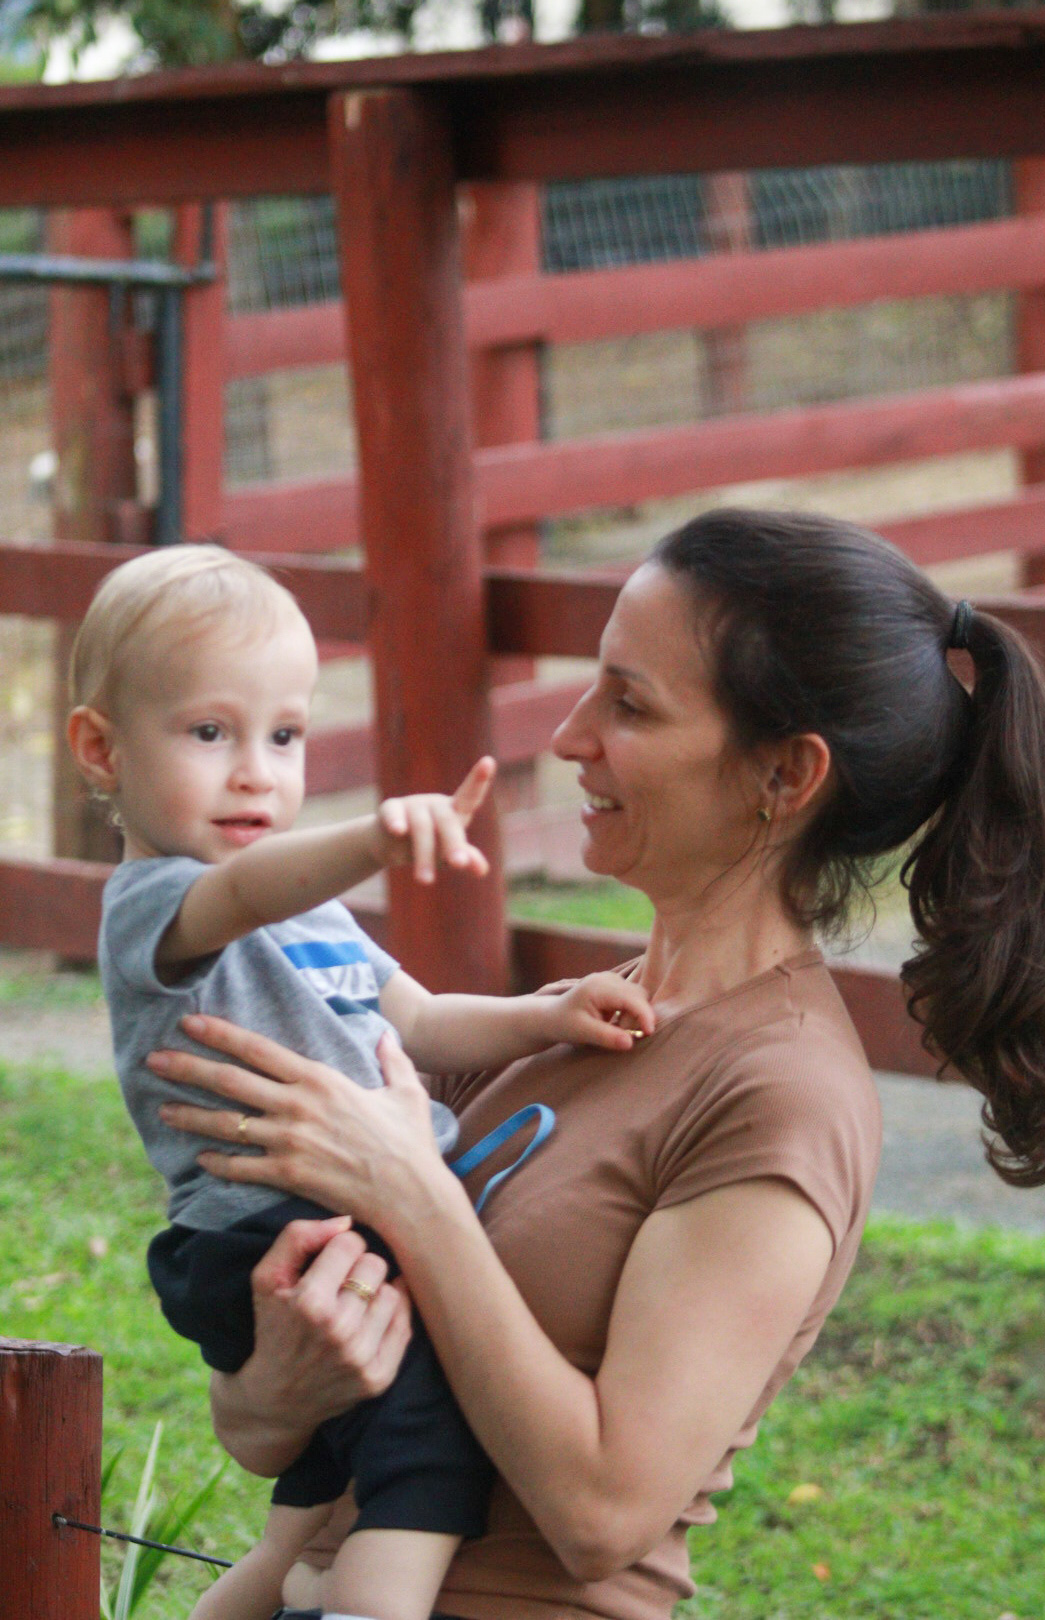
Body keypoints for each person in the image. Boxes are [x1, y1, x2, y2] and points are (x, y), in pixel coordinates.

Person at [149, 509, 1045, 1620]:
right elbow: (257, 1432)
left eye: (630, 705)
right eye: (591, 686)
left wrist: (411, 1196)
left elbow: (603, 1513)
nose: (569, 735)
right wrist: (278, 1380)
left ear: (785, 774)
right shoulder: (556, 1026)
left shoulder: (781, 1096)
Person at [66, 543, 655, 1620]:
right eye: (210, 733)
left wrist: (543, 1014)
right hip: (273, 1228)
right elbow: (246, 891)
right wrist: (375, 839)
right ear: (102, 749)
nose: (258, 772)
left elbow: (418, 1020)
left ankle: (265, 1591)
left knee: (318, 1496)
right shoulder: (157, 902)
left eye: (285, 735)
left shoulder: (314, 913)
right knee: (430, 1460)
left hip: (336, 1210)